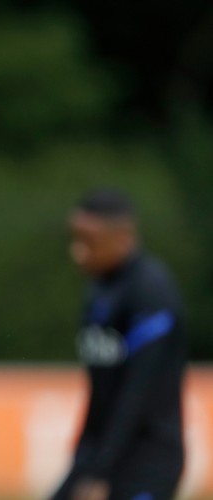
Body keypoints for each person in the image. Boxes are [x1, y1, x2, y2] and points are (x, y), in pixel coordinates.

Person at [51, 188, 186, 500]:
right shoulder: (98, 289)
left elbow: (137, 393)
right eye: (76, 239)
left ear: (123, 237)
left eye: (89, 240)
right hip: (98, 454)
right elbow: (100, 392)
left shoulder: (151, 291)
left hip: (146, 461)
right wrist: (84, 458)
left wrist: (101, 473)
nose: (78, 251)